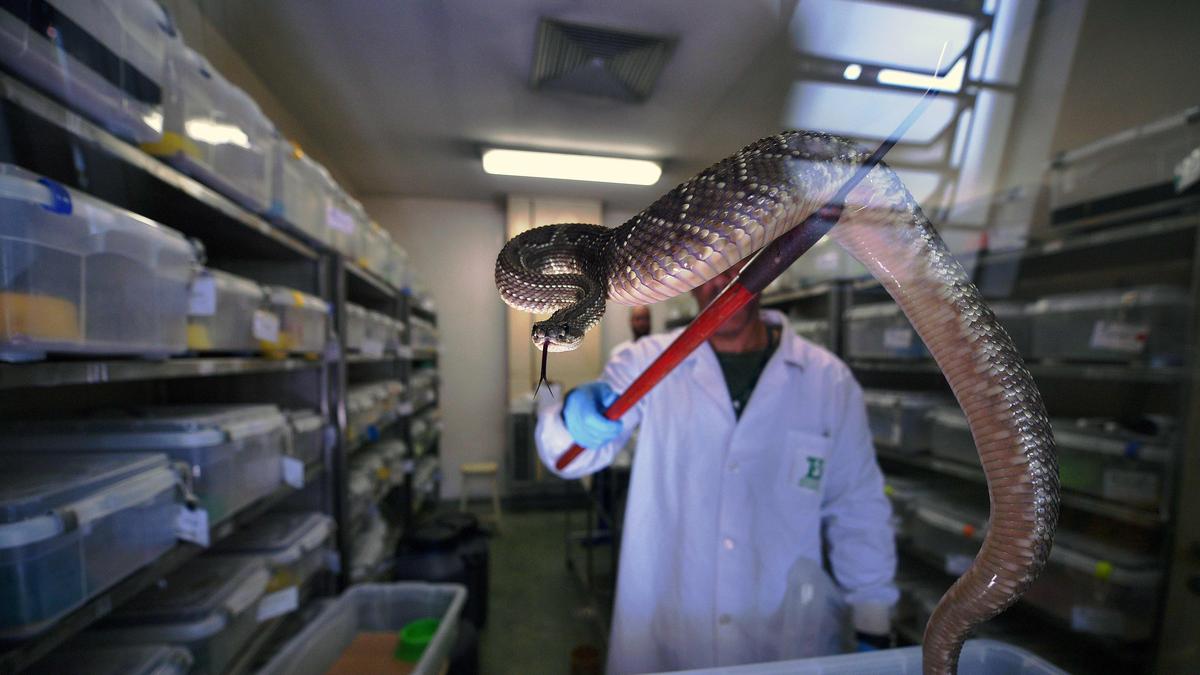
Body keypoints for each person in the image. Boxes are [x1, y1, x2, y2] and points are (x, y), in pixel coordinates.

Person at [535, 261, 897, 674]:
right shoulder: (645, 360)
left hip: (783, 636)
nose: (721, 281)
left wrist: (873, 619)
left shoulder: (829, 381)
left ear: (766, 264)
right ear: (688, 279)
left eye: (735, 264)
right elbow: (569, 456)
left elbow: (858, 507)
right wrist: (572, 417)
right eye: (706, 268)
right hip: (667, 629)